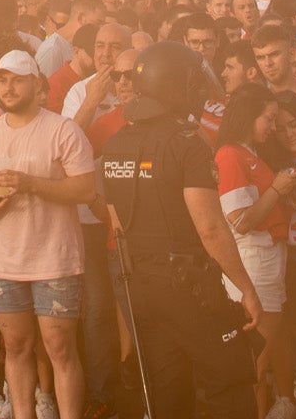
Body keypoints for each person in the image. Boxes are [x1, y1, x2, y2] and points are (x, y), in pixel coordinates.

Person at [97, 40, 265, 419]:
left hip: (140, 285)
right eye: (192, 82)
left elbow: (118, 225)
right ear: (174, 85)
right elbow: (210, 228)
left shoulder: (115, 144)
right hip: (187, 285)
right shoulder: (187, 143)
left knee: (167, 391)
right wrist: (246, 289)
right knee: (230, 380)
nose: (198, 90)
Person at [0, 50, 97, 419]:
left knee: (60, 350)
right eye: (1, 79)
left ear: (37, 84)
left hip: (56, 260)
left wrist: (31, 184)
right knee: (16, 347)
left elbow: (86, 189)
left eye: (17, 79)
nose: (8, 87)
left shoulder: (62, 129)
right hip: (5, 263)